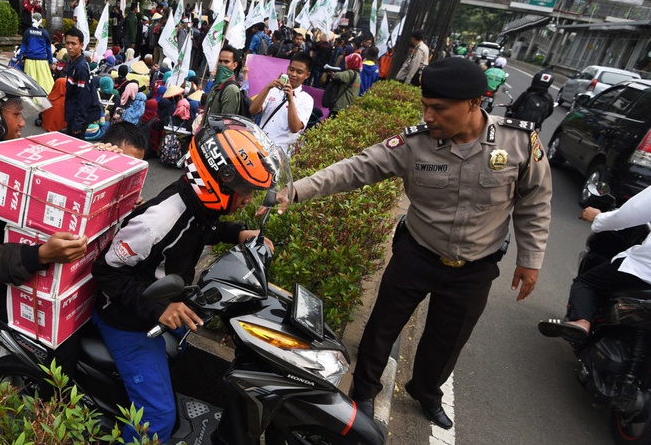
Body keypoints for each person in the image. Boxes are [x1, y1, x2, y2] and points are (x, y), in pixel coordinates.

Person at [275, 57, 551, 429]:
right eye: (425, 106)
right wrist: (295, 191)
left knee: (448, 339)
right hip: (416, 255)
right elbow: (356, 168)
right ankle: (364, 392)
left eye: (439, 108)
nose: (429, 116)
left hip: (475, 268)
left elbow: (535, 200)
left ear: (474, 103)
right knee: (382, 329)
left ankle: (425, 391)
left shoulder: (518, 142)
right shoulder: (415, 143)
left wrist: (530, 259)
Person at [92, 115, 280, 442]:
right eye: (245, 190)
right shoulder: (160, 219)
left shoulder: (199, 204)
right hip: (125, 319)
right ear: (218, 183)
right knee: (158, 417)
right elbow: (105, 270)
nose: (249, 198)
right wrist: (158, 311)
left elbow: (201, 230)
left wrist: (237, 233)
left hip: (157, 304)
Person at [0, 62, 89, 373]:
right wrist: (39, 254)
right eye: (15, 113)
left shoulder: (23, 157)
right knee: (59, 362)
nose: (23, 123)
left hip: (40, 273)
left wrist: (99, 160)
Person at [539, 185, 651, 341]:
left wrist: (598, 218)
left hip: (645, 269)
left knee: (586, 283)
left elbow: (630, 214)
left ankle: (581, 322)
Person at [249, 53, 314, 154]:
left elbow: (295, 128)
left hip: (279, 155)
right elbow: (253, 110)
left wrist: (291, 100)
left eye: (299, 72)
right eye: (291, 69)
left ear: (307, 75)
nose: (293, 74)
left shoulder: (306, 99)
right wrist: (268, 87)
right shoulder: (274, 89)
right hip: (259, 147)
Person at [63, 27, 102, 139]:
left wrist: (78, 123)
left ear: (81, 45)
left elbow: (83, 97)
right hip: (73, 114)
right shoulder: (73, 62)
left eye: (73, 44)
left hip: (79, 117)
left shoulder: (80, 68)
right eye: (67, 43)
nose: (69, 47)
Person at [15, 12, 54, 94]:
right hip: (42, 61)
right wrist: (50, 61)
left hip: (30, 61)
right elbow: (48, 49)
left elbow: (23, 47)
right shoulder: (45, 33)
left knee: (30, 82)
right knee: (44, 81)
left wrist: (19, 58)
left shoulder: (28, 32)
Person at [203, 46, 245, 118]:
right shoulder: (216, 85)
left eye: (226, 62)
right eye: (220, 61)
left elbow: (225, 121)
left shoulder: (231, 89)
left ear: (234, 65)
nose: (222, 65)